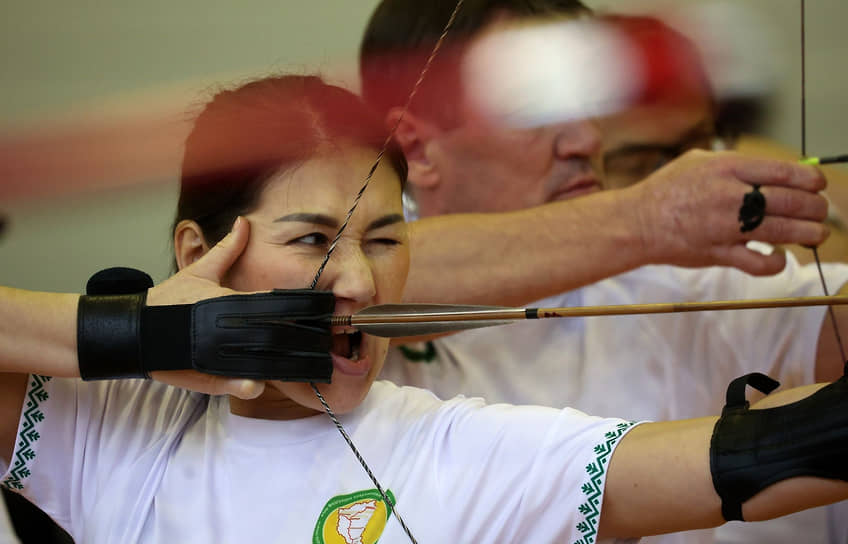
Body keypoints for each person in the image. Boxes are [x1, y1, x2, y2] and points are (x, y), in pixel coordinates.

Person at [4, 74, 848, 544]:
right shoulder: (112, 434)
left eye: (381, 239)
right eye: (310, 241)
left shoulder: (448, 447)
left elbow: (748, 458)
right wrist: (142, 332)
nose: (361, 287)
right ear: (197, 255)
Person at [359, 2, 848, 543]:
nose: (588, 140)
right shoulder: (342, 276)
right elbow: (352, 287)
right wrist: (644, 217)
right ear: (417, 149)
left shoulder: (662, 269)